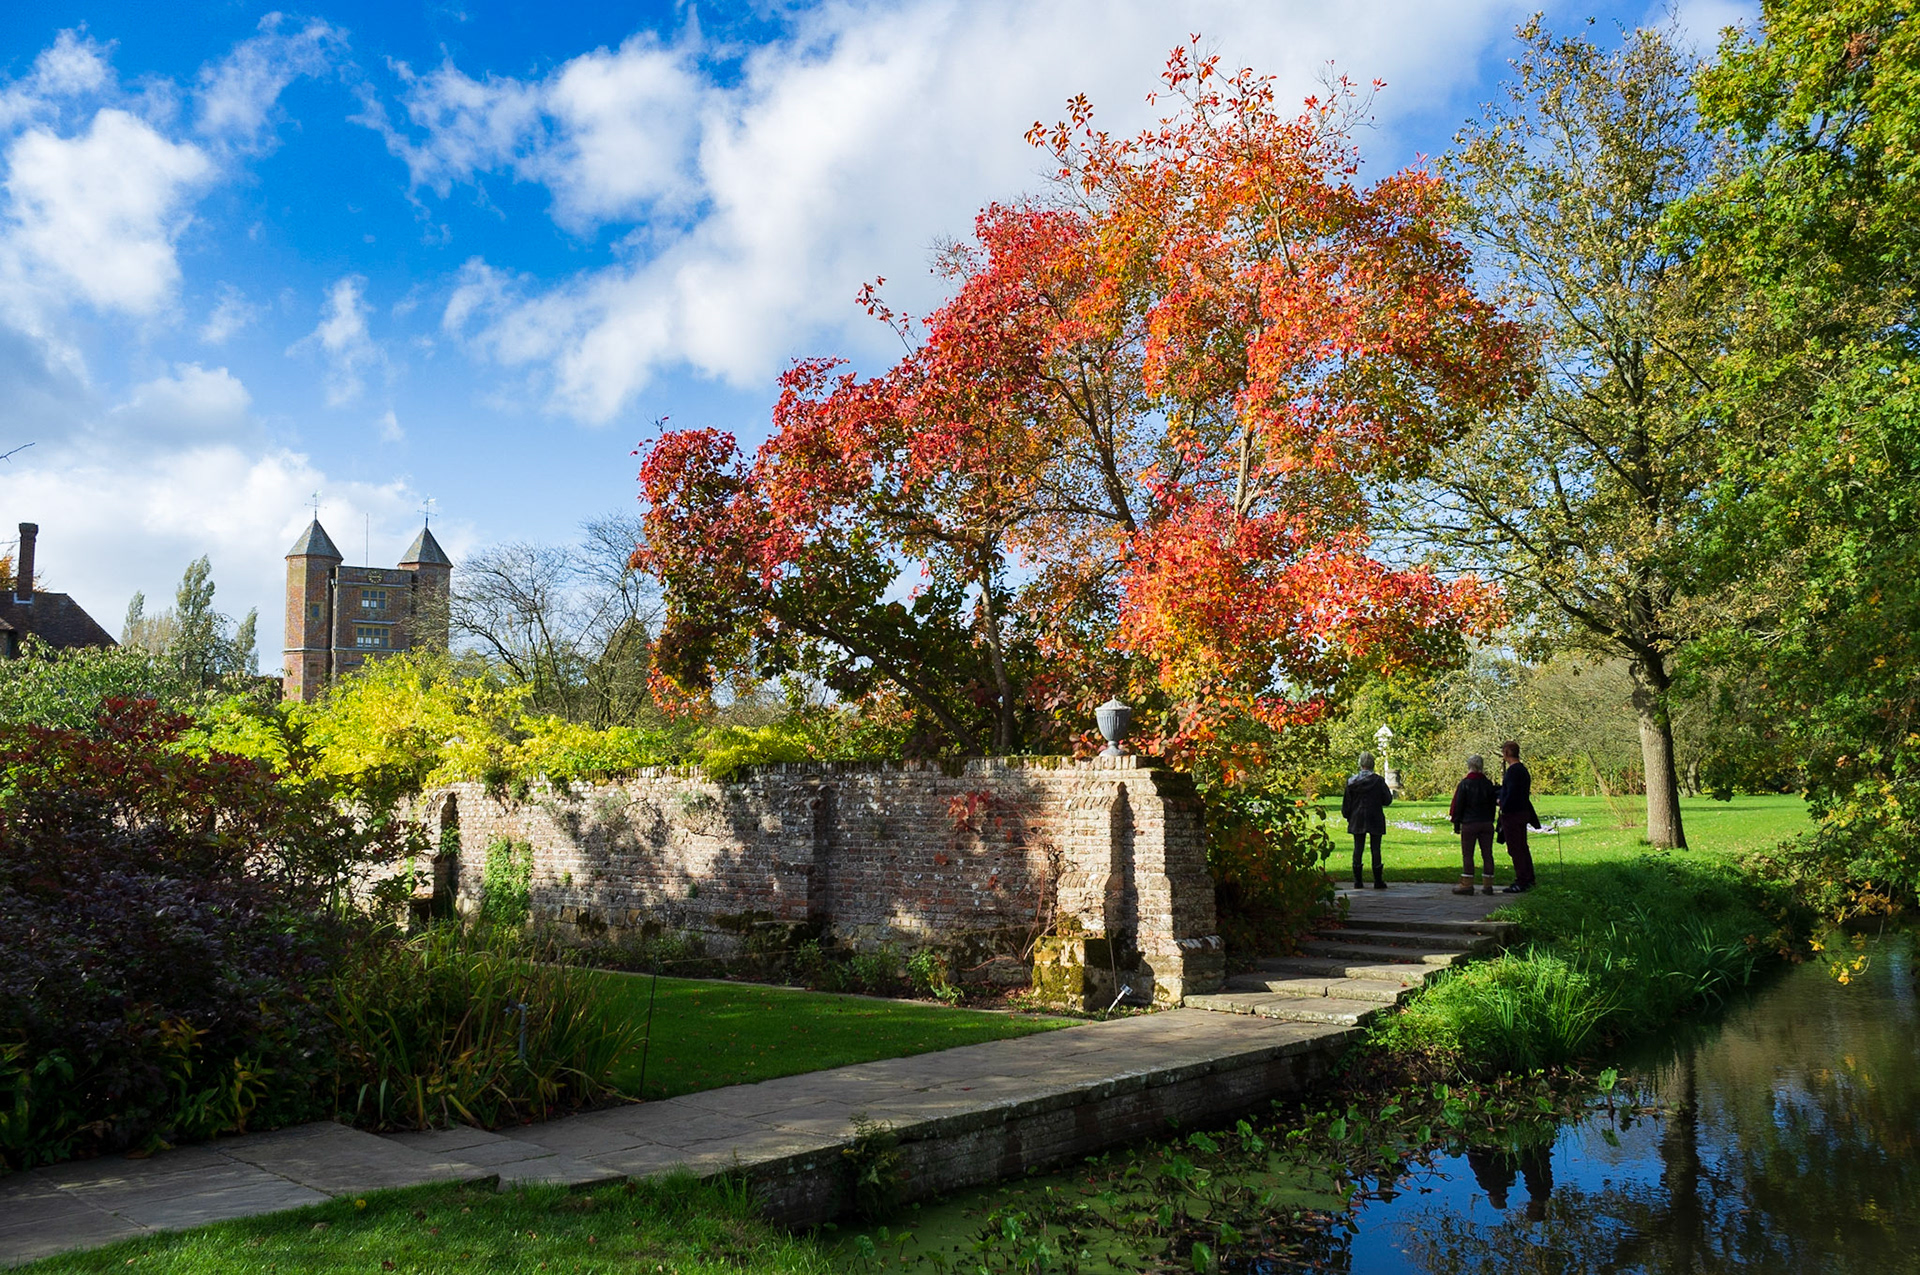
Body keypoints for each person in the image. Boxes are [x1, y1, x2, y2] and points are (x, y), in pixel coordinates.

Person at [1449, 754, 1500, 896]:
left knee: (1468, 854)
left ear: (1469, 766)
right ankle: (1488, 885)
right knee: (1487, 854)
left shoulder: (1465, 784)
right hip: (1486, 822)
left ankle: (1467, 884)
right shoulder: (1488, 784)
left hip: (1470, 823)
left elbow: (1458, 805)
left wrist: (1456, 823)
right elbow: (1492, 805)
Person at [1342, 752, 1394, 890]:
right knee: (1375, 848)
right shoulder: (1378, 781)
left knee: (1358, 848)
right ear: (1373, 763)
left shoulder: (1351, 782)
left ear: (1360, 763)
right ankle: (1378, 881)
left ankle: (1358, 881)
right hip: (1375, 816)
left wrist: (1348, 816)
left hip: (1357, 817)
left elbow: (1346, 804)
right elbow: (1387, 799)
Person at [1497, 740, 1541, 893]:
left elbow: (1512, 794)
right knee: (1522, 847)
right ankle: (1528, 878)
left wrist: (1502, 803)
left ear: (1507, 753)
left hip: (1513, 814)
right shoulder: (1522, 770)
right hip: (1521, 812)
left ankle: (1522, 880)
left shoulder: (1514, 771)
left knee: (1516, 848)